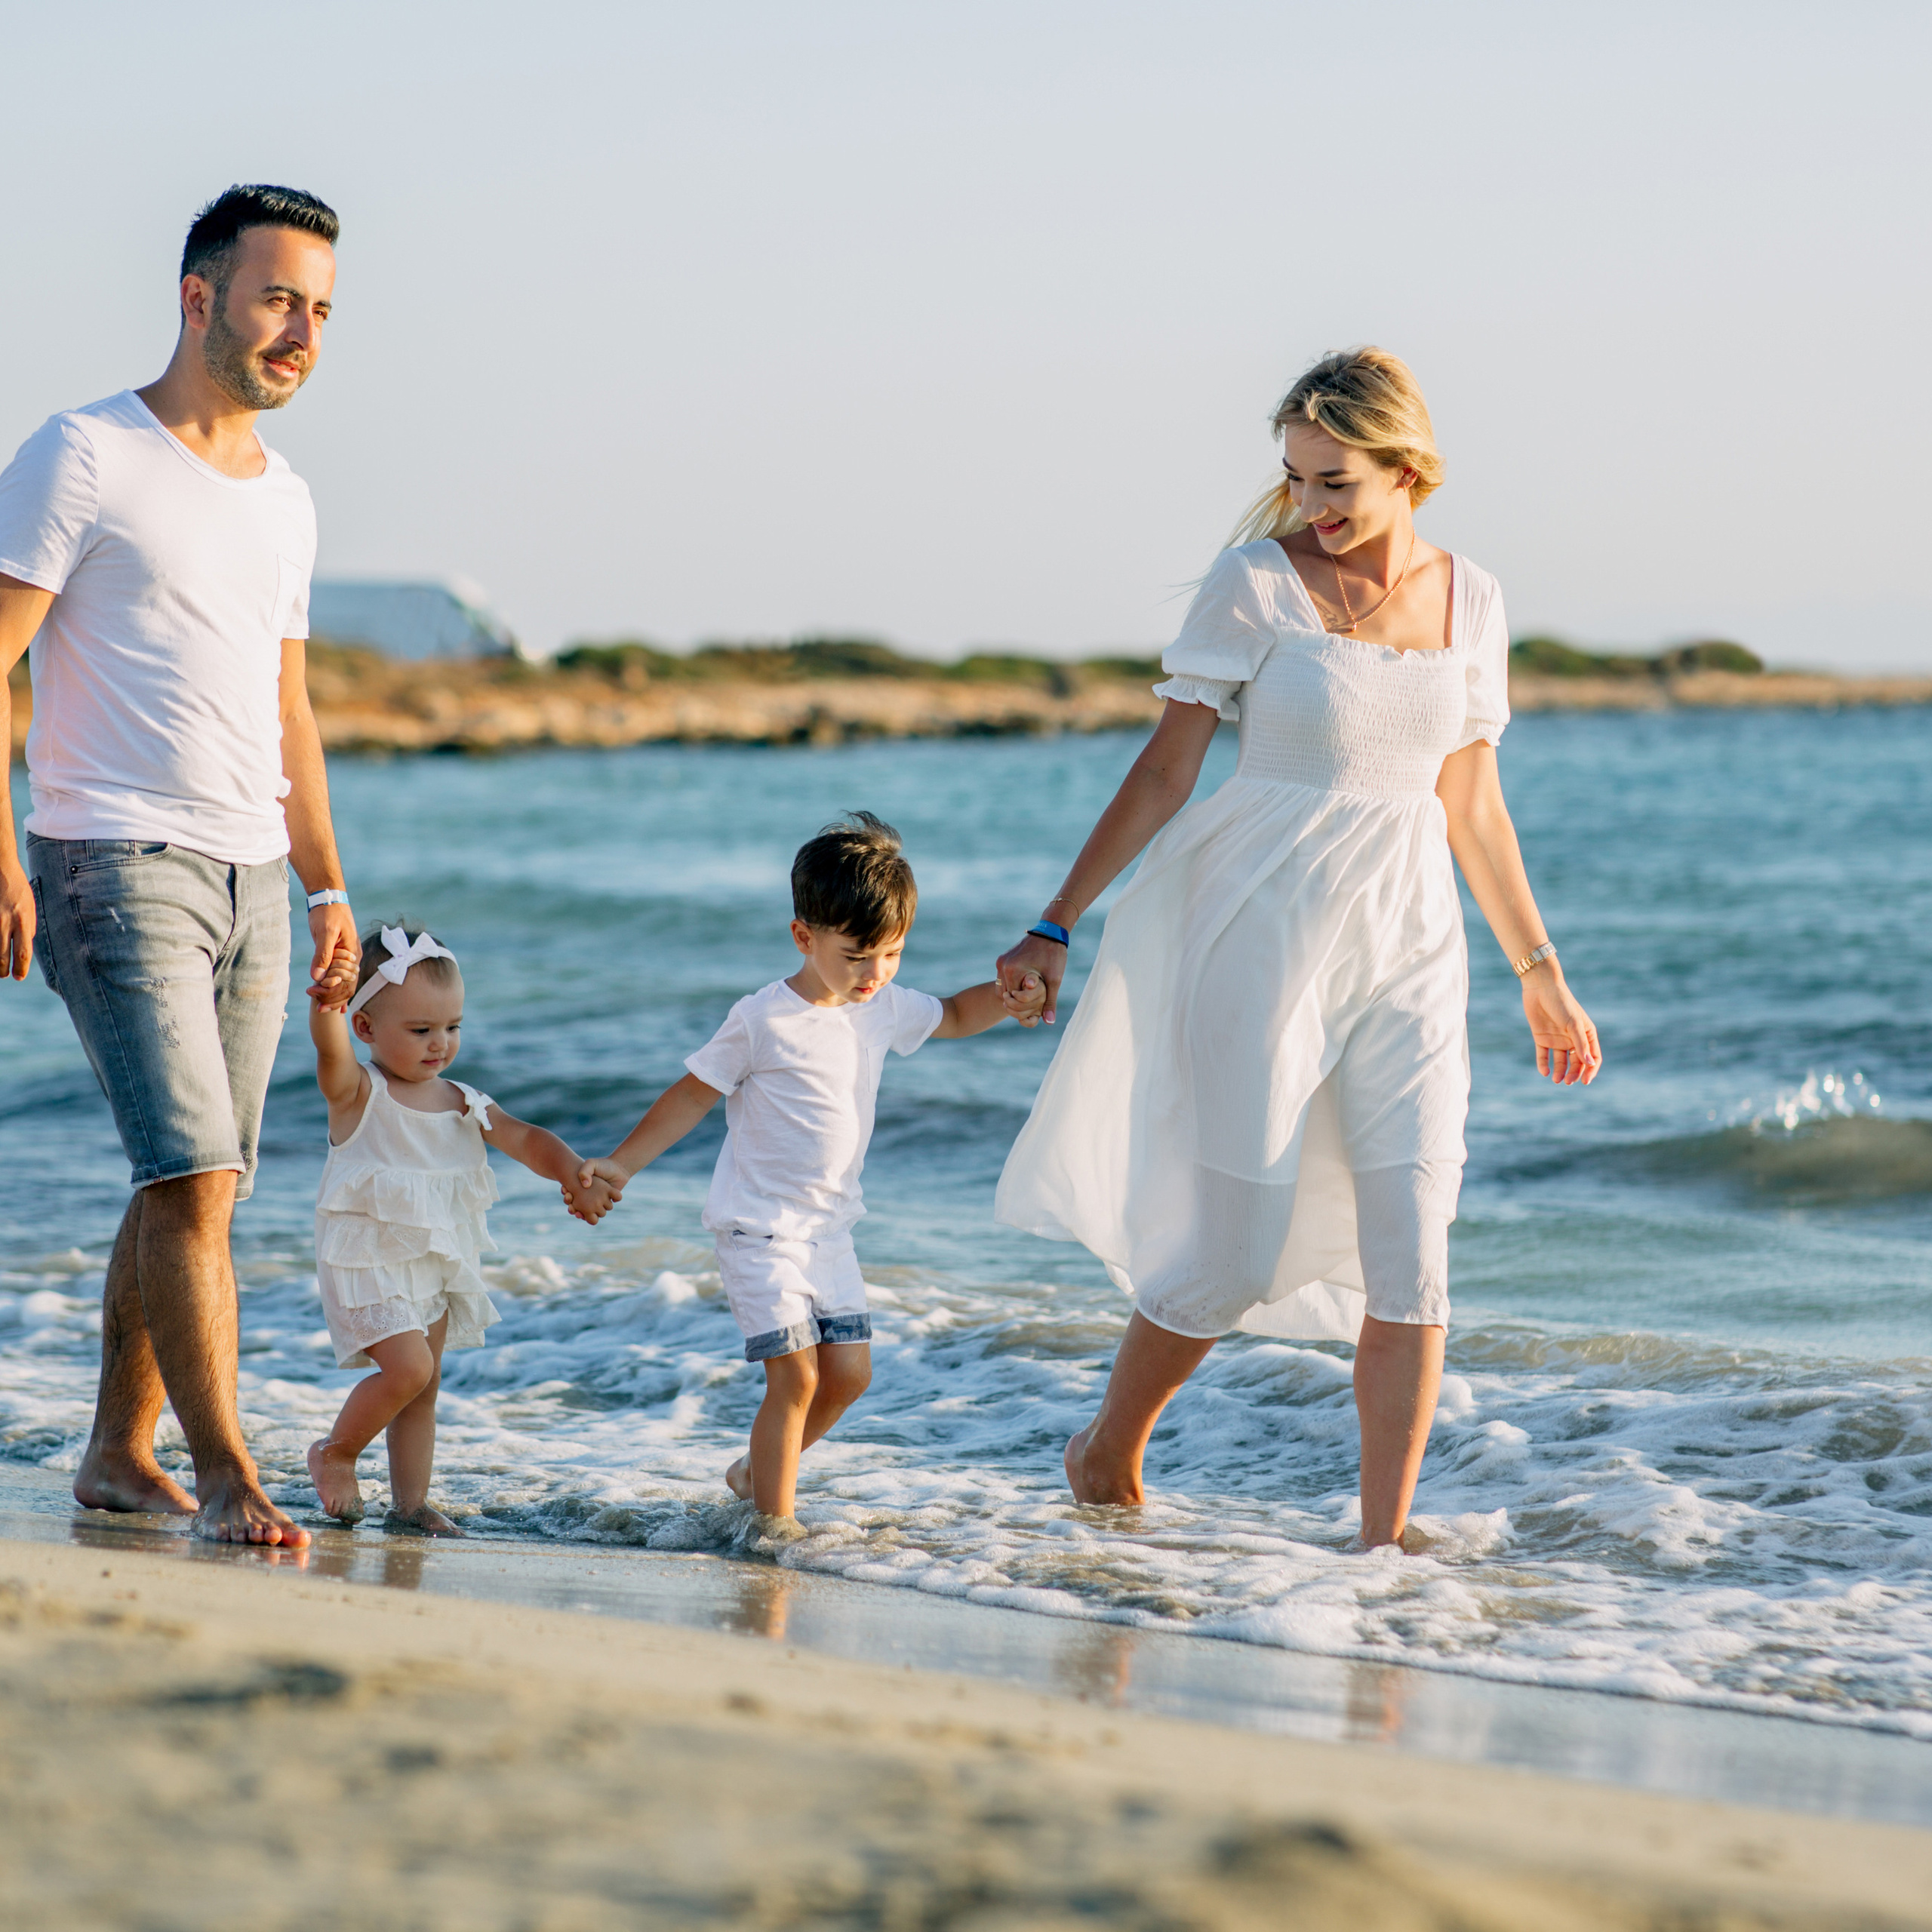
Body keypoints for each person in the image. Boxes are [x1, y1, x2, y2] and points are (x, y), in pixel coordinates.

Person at [993, 347, 1601, 1549]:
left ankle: (1383, 1552)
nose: (1310, 505)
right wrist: (1055, 919)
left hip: (1411, 948)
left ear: (1407, 470)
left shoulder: (1473, 600)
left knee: (1414, 1256)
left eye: (1336, 483)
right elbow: (1165, 771)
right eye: (1297, 478)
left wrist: (1543, 976)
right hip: (1259, 935)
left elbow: (1474, 806)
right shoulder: (1254, 586)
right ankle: (1108, 1450)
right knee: (1232, 1253)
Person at [0, 184, 358, 1545]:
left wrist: (325, 886)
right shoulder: (85, 453)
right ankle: (228, 1479)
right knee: (194, 1178)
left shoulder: (290, 500)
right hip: (111, 853)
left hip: (256, 873)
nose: (301, 334)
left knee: (190, 1175)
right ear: (200, 297)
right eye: (278, 301)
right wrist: (4, 859)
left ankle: (115, 1454)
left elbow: (290, 709)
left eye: (320, 311)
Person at [579, 812, 1044, 1521]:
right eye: (857, 956)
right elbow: (693, 1095)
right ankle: (775, 1527)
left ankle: (756, 1472)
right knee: (795, 1380)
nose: (875, 974)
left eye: (892, 954)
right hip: (759, 1231)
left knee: (849, 1376)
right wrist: (622, 1164)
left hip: (830, 1232)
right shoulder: (763, 1018)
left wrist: (1008, 1001)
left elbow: (953, 1014)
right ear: (804, 937)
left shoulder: (882, 1007)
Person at [306, 925, 620, 1535]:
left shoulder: (463, 1101)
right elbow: (329, 1051)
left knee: (422, 1387)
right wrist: (329, 1005)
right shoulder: (358, 1093)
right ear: (365, 1027)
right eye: (421, 1029)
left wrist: (572, 1173)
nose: (440, 1043)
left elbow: (527, 1138)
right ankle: (336, 1453)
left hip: (435, 1260)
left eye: (452, 1027)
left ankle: (411, 1505)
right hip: (367, 1260)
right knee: (408, 1370)